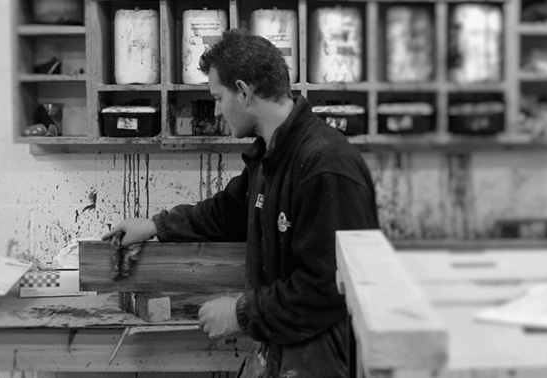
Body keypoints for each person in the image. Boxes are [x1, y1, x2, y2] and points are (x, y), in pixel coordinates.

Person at [102, 29, 380, 378]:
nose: (217, 111)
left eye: (218, 97)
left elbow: (326, 287)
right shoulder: (273, 155)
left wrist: (241, 313)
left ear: (244, 92)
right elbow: (227, 212)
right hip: (290, 349)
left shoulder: (324, 165)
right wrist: (155, 225)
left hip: (327, 359)